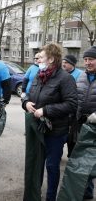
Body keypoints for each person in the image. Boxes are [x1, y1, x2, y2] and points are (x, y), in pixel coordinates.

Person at [21, 43, 77, 201]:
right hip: (38, 129)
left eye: (42, 57)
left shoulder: (65, 78)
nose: (38, 60)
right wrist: (26, 103)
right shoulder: (40, 75)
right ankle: (34, 194)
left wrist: (46, 110)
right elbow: (29, 95)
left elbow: (72, 104)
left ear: (51, 59)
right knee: (36, 164)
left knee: (52, 167)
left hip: (56, 132)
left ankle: (50, 197)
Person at [57, 46, 96, 201]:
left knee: (89, 160)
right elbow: (73, 99)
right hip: (77, 124)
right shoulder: (80, 77)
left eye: (91, 59)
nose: (87, 62)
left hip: (94, 128)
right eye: (85, 59)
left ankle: (87, 192)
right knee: (75, 158)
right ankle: (78, 190)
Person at [62, 54, 83, 157]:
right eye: (63, 62)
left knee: (72, 136)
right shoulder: (61, 73)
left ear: (72, 64)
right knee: (60, 134)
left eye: (66, 62)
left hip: (74, 110)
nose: (63, 64)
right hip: (62, 109)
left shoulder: (80, 74)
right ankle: (58, 153)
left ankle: (71, 155)